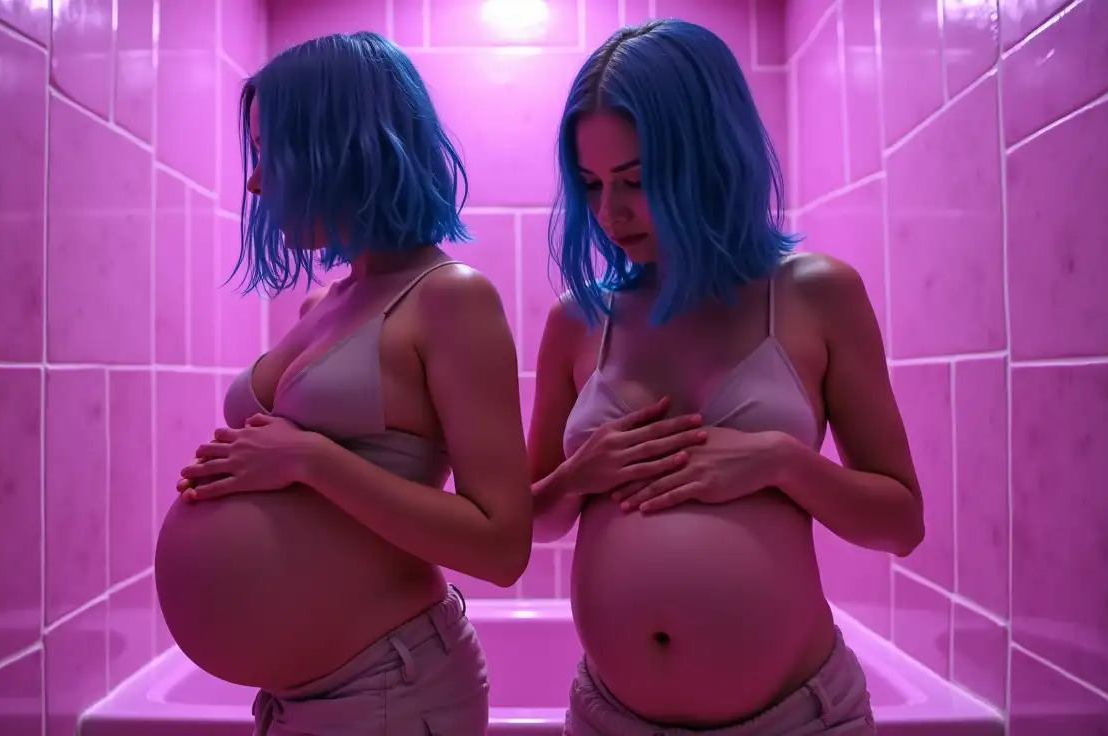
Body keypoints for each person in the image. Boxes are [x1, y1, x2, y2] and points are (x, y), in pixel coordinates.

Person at [528, 19, 925, 736]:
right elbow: (527, 521)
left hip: (796, 720)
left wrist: (782, 461)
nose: (610, 212)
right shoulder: (580, 319)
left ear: (708, 159)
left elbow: (900, 522)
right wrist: (576, 475)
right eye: (591, 184)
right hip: (610, 718)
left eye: (638, 180)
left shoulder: (815, 294)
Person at [152, 31, 532, 736]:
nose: (256, 182)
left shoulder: (450, 298)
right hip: (300, 697)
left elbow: (502, 545)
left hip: (390, 687)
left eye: (271, 154)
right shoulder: (318, 305)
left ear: (344, 145)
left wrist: (311, 460)